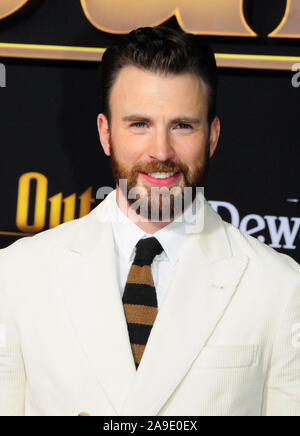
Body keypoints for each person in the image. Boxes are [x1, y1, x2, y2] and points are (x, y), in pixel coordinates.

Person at [0, 26, 299, 417]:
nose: (161, 151)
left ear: (212, 136)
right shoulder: (18, 275)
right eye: (139, 124)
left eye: (182, 125)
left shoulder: (280, 288)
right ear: (106, 134)